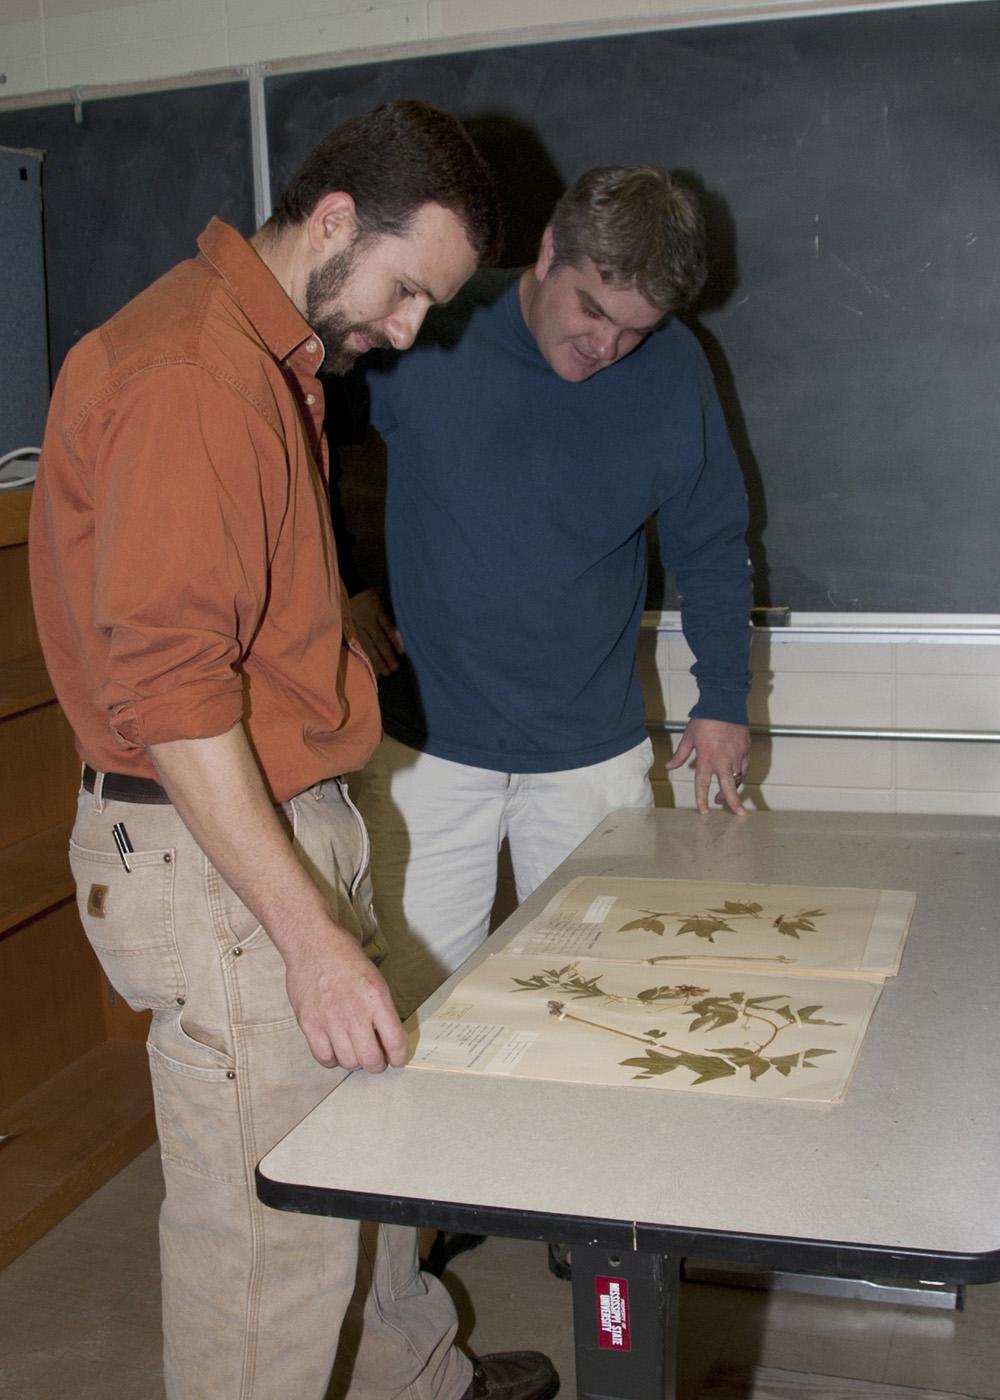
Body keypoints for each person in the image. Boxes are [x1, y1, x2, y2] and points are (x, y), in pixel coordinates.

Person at [29, 101, 557, 1400]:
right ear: (332, 222)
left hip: (268, 832)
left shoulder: (261, 358)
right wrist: (308, 936)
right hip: (219, 861)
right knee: (272, 1254)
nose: (409, 327)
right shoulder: (192, 375)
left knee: (360, 1159)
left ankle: (413, 1380)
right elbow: (171, 690)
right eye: (404, 288)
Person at [342, 165, 754, 1020]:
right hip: (428, 751)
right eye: (592, 311)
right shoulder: (433, 325)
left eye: (634, 330)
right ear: (548, 252)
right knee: (415, 1008)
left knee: (601, 1002)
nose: (604, 347)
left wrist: (724, 699)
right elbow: (311, 450)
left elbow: (711, 543)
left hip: (588, 758)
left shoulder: (676, 371)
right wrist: (345, 584)